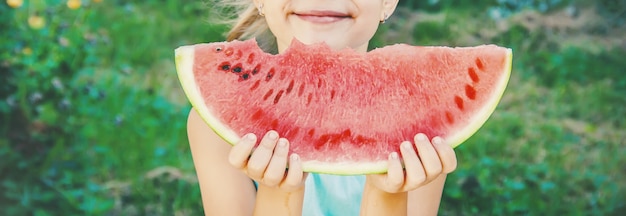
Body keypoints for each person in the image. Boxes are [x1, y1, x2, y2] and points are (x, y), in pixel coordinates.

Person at [187, 0, 458, 215]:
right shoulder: (215, 126)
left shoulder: (422, 118)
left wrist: (386, 192)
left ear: (387, 2)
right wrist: (279, 191)